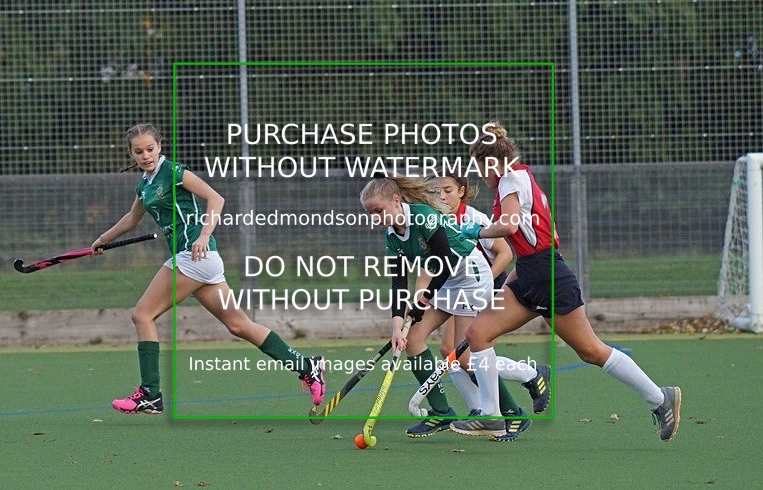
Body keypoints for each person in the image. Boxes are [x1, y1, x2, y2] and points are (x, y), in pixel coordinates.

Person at [448, 122, 681, 442]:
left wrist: (478, 231)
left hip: (549, 277)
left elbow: (511, 226)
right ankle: (491, 416)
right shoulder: (522, 179)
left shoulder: (509, 179)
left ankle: (660, 398)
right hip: (531, 274)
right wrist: (508, 286)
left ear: (489, 162)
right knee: (478, 333)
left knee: (591, 351)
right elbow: (536, 241)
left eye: (479, 167)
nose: (481, 176)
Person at [92, 123, 326, 414]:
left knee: (142, 314)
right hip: (201, 262)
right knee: (239, 325)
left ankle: (150, 394)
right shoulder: (145, 184)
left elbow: (216, 198)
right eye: (139, 151)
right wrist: (102, 240)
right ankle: (307, 367)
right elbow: (132, 219)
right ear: (131, 153)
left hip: (194, 255)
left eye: (150, 149)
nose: (146, 155)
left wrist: (204, 234)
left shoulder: (174, 172)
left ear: (160, 147)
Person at [359, 172, 548, 439]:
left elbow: (446, 260)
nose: (375, 218)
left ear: (396, 199)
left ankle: (512, 412)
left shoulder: (423, 216)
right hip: (445, 282)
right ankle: (441, 412)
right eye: (370, 214)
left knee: (465, 359)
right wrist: (396, 326)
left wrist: (423, 302)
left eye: (378, 210)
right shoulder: (392, 235)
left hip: (470, 278)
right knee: (412, 340)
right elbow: (398, 282)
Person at [432, 173, 547, 438]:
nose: (441, 197)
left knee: (464, 355)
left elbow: (506, 253)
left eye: (447, 190)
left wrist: (486, 282)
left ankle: (527, 377)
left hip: (485, 286)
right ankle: (480, 409)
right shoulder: (437, 220)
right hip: (458, 290)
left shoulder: (475, 219)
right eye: (436, 192)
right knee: (449, 351)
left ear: (462, 191)